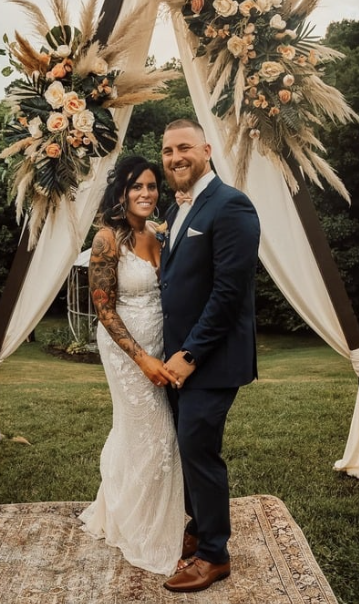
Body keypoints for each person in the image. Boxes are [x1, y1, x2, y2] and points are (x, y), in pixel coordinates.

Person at [159, 119, 260, 593]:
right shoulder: (177, 208)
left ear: (206, 149)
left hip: (211, 359)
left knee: (199, 449)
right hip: (178, 359)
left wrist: (191, 354)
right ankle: (198, 527)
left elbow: (228, 293)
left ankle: (214, 555)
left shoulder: (232, 205)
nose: (175, 157)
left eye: (183, 147)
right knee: (186, 446)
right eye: (166, 151)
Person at [79, 156, 184, 576]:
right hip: (127, 351)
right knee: (155, 432)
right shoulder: (108, 240)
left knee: (139, 432)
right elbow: (103, 309)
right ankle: (143, 529)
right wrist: (141, 359)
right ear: (121, 192)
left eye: (152, 186)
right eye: (137, 186)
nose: (146, 193)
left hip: (161, 341)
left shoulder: (156, 234)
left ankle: (123, 510)